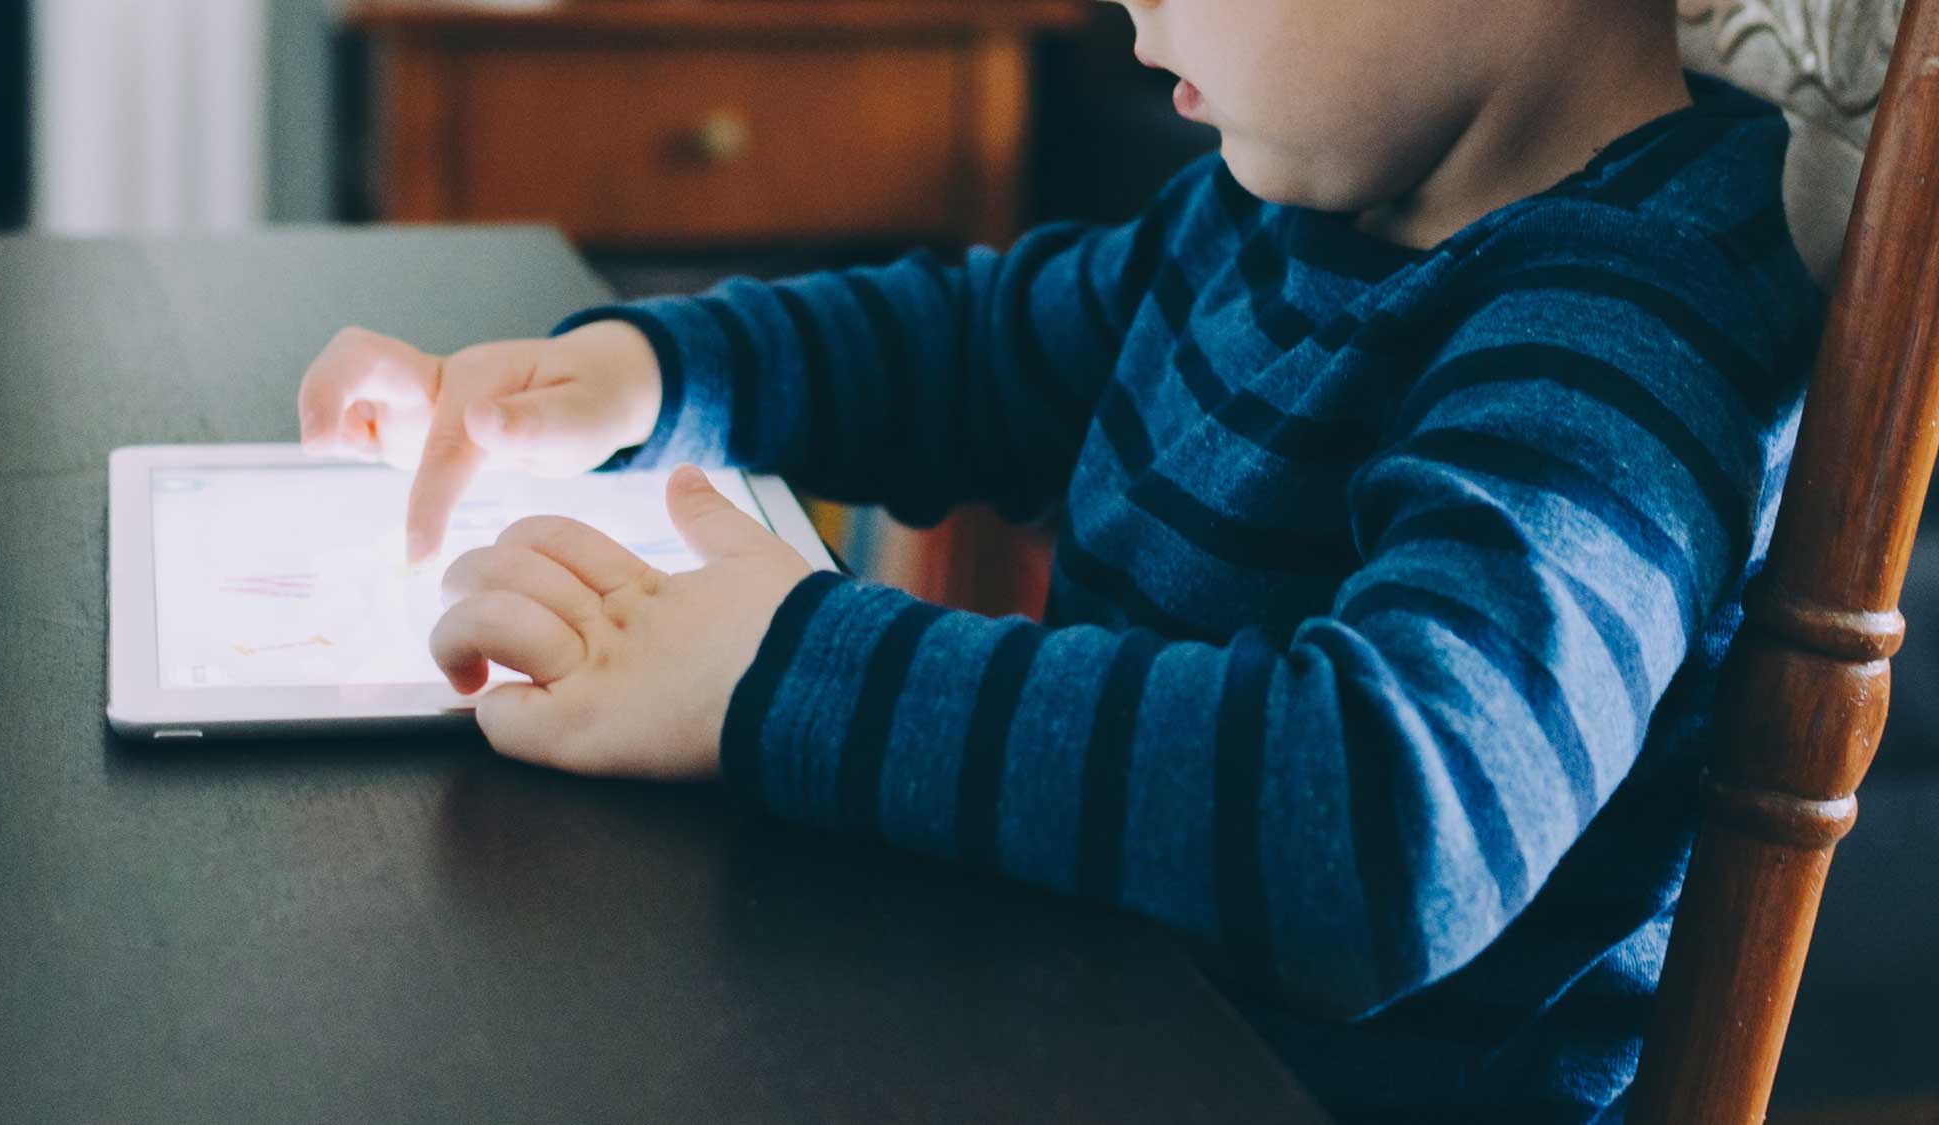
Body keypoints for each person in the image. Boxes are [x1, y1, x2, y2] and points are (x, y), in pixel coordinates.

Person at [295, 0, 1824, 1118]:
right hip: (1091, 1018)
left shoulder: (1633, 324)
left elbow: (1390, 819)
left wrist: (788, 661)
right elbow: (979, 349)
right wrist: (649, 375)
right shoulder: (1287, 207)